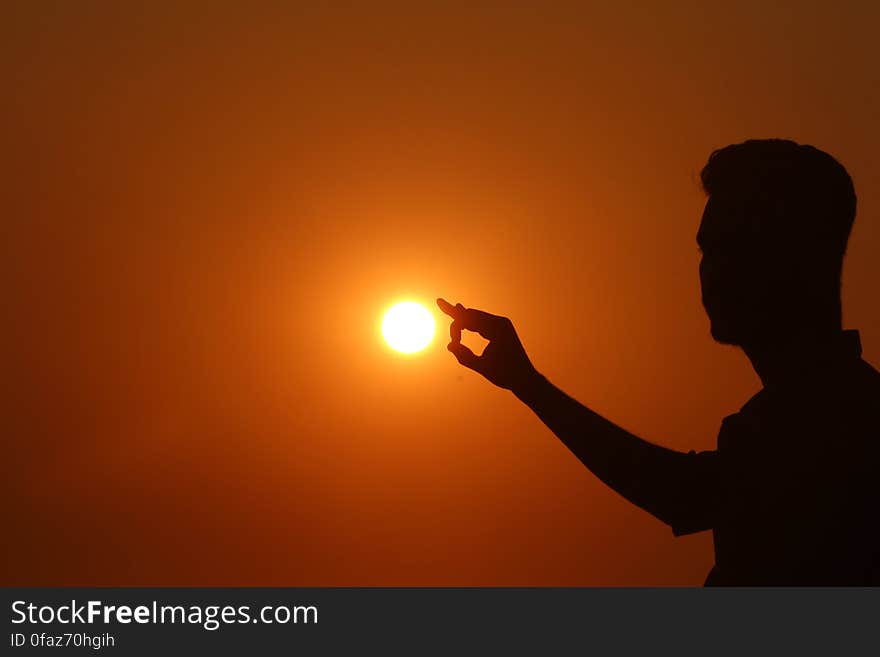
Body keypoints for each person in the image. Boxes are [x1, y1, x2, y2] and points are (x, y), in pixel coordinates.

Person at [438, 138, 880, 585]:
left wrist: (529, 385)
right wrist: (526, 382)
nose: (711, 270)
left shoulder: (839, 422)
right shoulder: (799, 414)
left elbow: (685, 493)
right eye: (706, 250)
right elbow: (692, 491)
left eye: (734, 247)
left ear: (797, 258)